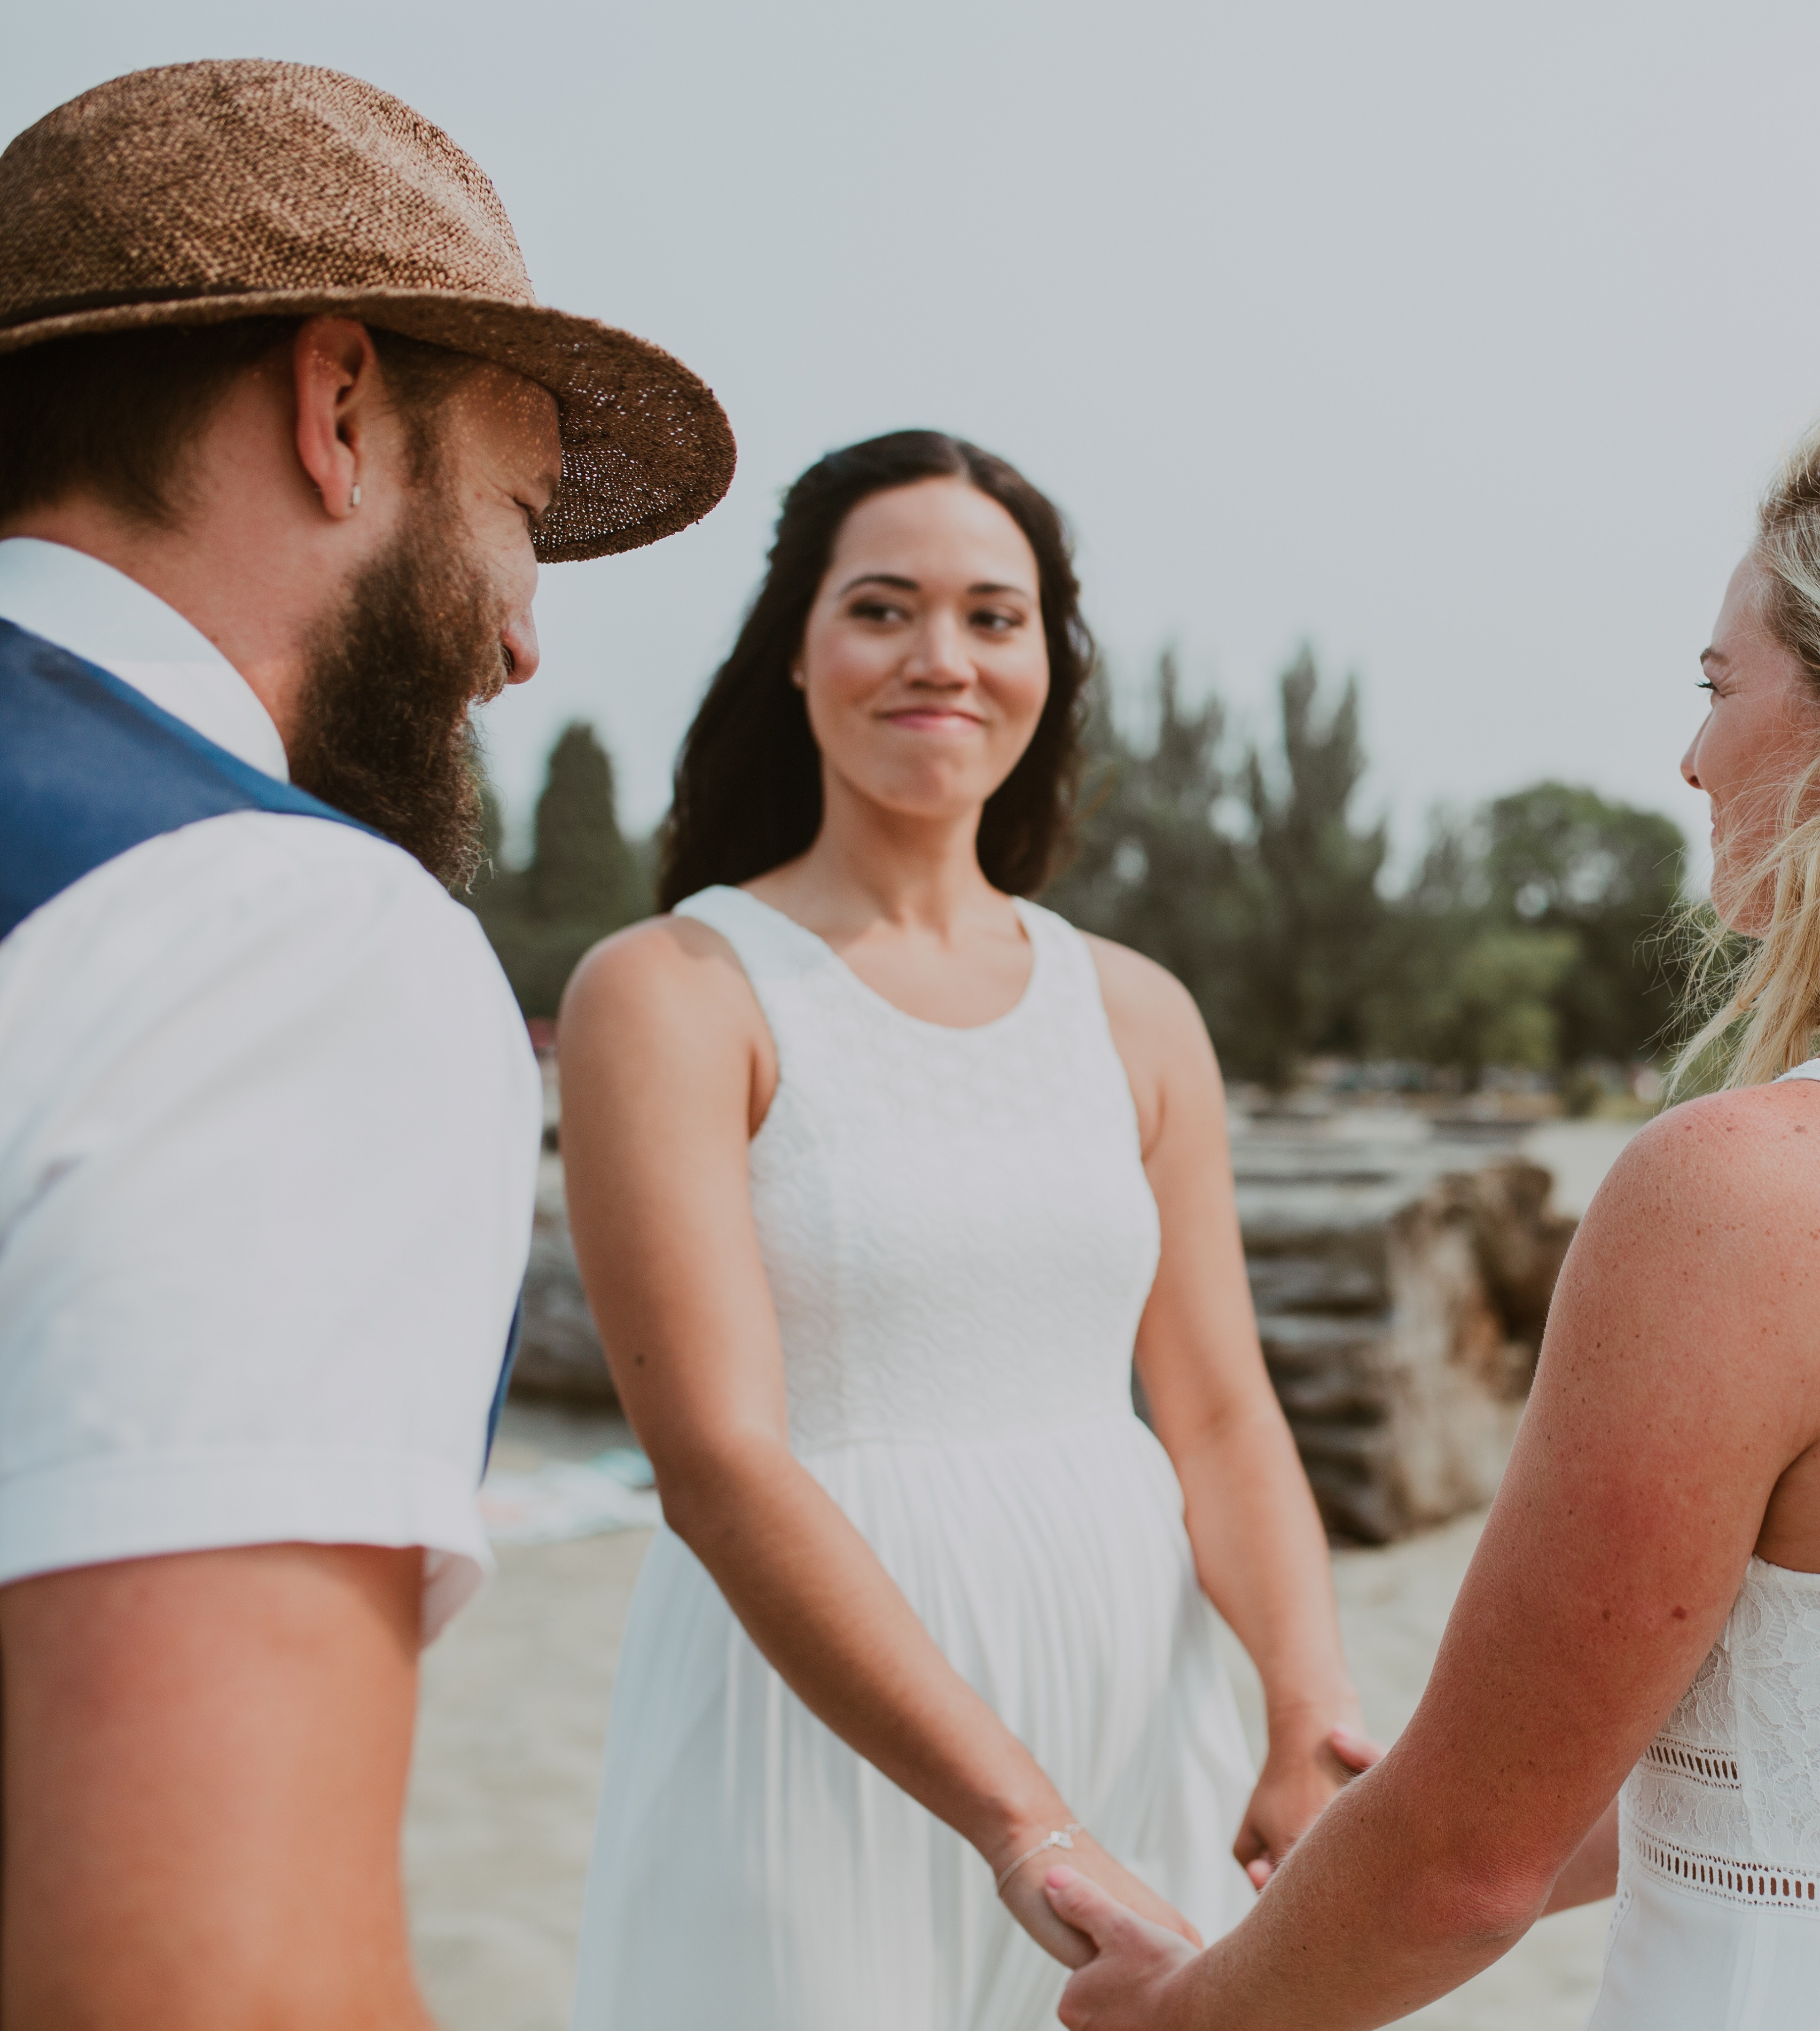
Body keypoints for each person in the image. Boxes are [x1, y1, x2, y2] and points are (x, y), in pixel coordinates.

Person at [1049, 390, 1820, 2030]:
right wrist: (1447, 1784)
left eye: (1721, 687)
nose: (1692, 754)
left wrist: (1194, 2009)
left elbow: (1460, 1871)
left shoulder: (1756, 1186)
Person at [0, 60, 732, 2029]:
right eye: (509, 508)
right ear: (336, 413)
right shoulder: (274, 935)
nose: (521, 645)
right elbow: (204, 1980)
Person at [558, 429, 1366, 2029]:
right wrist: (1023, 1822)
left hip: (1139, 1697)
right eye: (883, 608)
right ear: (795, 651)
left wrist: (1304, 1706)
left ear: (1048, 669)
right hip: (821, 1725)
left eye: (995, 617)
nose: (943, 657)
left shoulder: (1136, 1012)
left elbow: (1215, 1406)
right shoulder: (671, 991)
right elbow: (720, 1460)